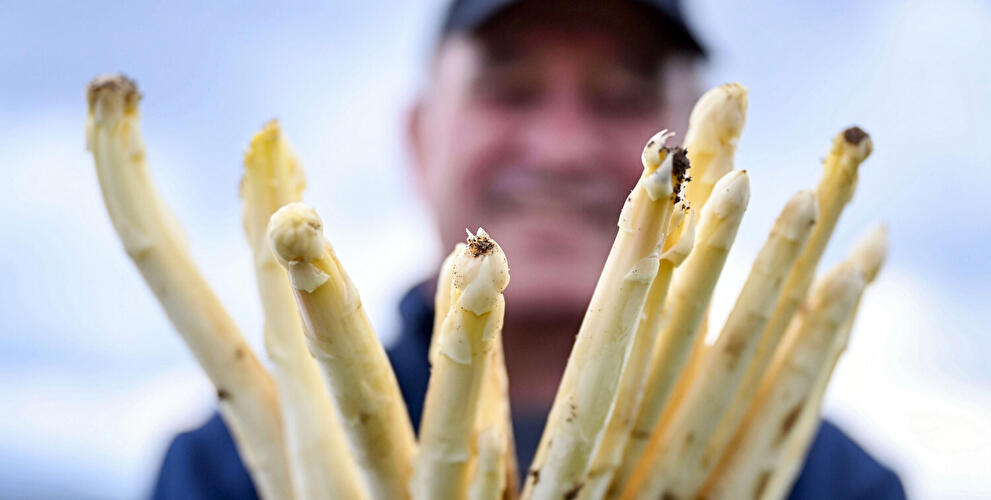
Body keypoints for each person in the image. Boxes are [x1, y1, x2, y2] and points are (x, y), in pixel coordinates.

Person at [153, 0, 906, 498]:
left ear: (700, 152)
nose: (561, 147)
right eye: (509, 90)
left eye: (619, 99)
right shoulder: (223, 473)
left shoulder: (833, 482)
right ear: (419, 138)